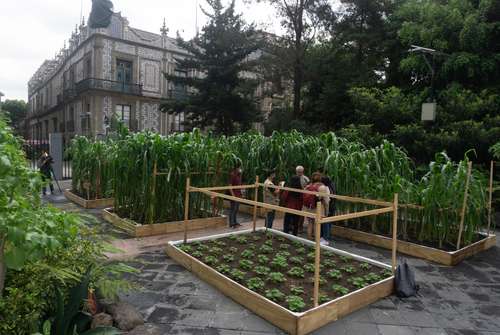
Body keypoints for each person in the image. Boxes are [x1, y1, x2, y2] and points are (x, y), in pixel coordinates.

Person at [303, 172, 330, 245]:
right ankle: (316, 241)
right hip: (318, 208)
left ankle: (308, 239)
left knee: (310, 223)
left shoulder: (308, 186)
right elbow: (326, 201)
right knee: (316, 224)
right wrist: (327, 211)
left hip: (309, 207)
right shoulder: (322, 187)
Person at [320, 176, 336, 243]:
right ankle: (326, 237)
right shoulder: (332, 185)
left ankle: (325, 238)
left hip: (328, 207)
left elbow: (326, 201)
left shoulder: (326, 188)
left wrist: (326, 210)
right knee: (328, 222)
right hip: (332, 206)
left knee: (325, 223)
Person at [295, 165, 310, 233]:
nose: (299, 173)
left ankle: (300, 227)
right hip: (295, 198)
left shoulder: (306, 179)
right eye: (298, 172)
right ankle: (294, 225)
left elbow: (309, 187)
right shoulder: (294, 178)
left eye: (300, 172)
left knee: (301, 213)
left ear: (303, 172)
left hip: (303, 198)